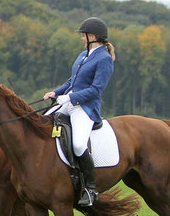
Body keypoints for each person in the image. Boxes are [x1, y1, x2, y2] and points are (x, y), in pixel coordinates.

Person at [43, 17, 116, 206]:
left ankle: (90, 189)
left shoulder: (104, 59)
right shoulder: (83, 55)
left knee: (77, 144)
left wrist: (70, 97)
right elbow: (71, 82)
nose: (82, 39)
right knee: (40, 125)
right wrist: (56, 92)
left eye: (83, 35)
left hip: (85, 107)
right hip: (68, 102)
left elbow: (96, 90)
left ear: (92, 36)